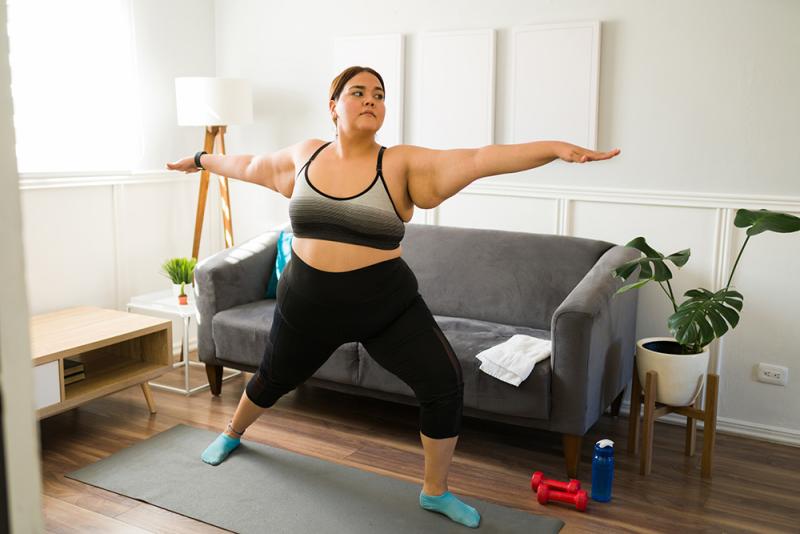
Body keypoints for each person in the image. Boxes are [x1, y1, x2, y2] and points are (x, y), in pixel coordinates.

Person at [166, 65, 620, 529]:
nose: (370, 100)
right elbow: (246, 165)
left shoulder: (399, 164)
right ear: (333, 106)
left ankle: (435, 492)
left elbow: (482, 157)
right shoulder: (305, 156)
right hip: (306, 304)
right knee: (272, 377)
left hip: (386, 306)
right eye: (358, 92)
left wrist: (555, 150)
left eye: (378, 95)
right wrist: (201, 159)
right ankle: (232, 432)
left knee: (443, 383)